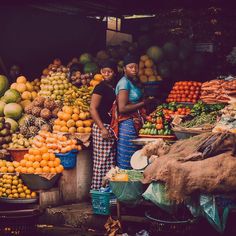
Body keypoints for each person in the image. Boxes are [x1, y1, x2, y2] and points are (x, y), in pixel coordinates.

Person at [111, 54, 154, 169]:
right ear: (124, 69)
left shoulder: (131, 82)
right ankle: (124, 184)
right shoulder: (124, 83)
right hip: (127, 124)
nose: (134, 70)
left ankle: (132, 184)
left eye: (136, 67)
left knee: (135, 158)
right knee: (127, 159)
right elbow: (122, 108)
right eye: (130, 67)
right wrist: (144, 103)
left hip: (133, 123)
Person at [90, 60, 117, 190]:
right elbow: (93, 109)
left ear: (114, 73)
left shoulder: (112, 87)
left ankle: (107, 191)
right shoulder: (99, 87)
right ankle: (96, 191)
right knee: (101, 162)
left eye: (110, 72)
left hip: (110, 126)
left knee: (110, 161)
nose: (107, 74)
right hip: (102, 127)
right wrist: (102, 128)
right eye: (104, 71)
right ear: (101, 72)